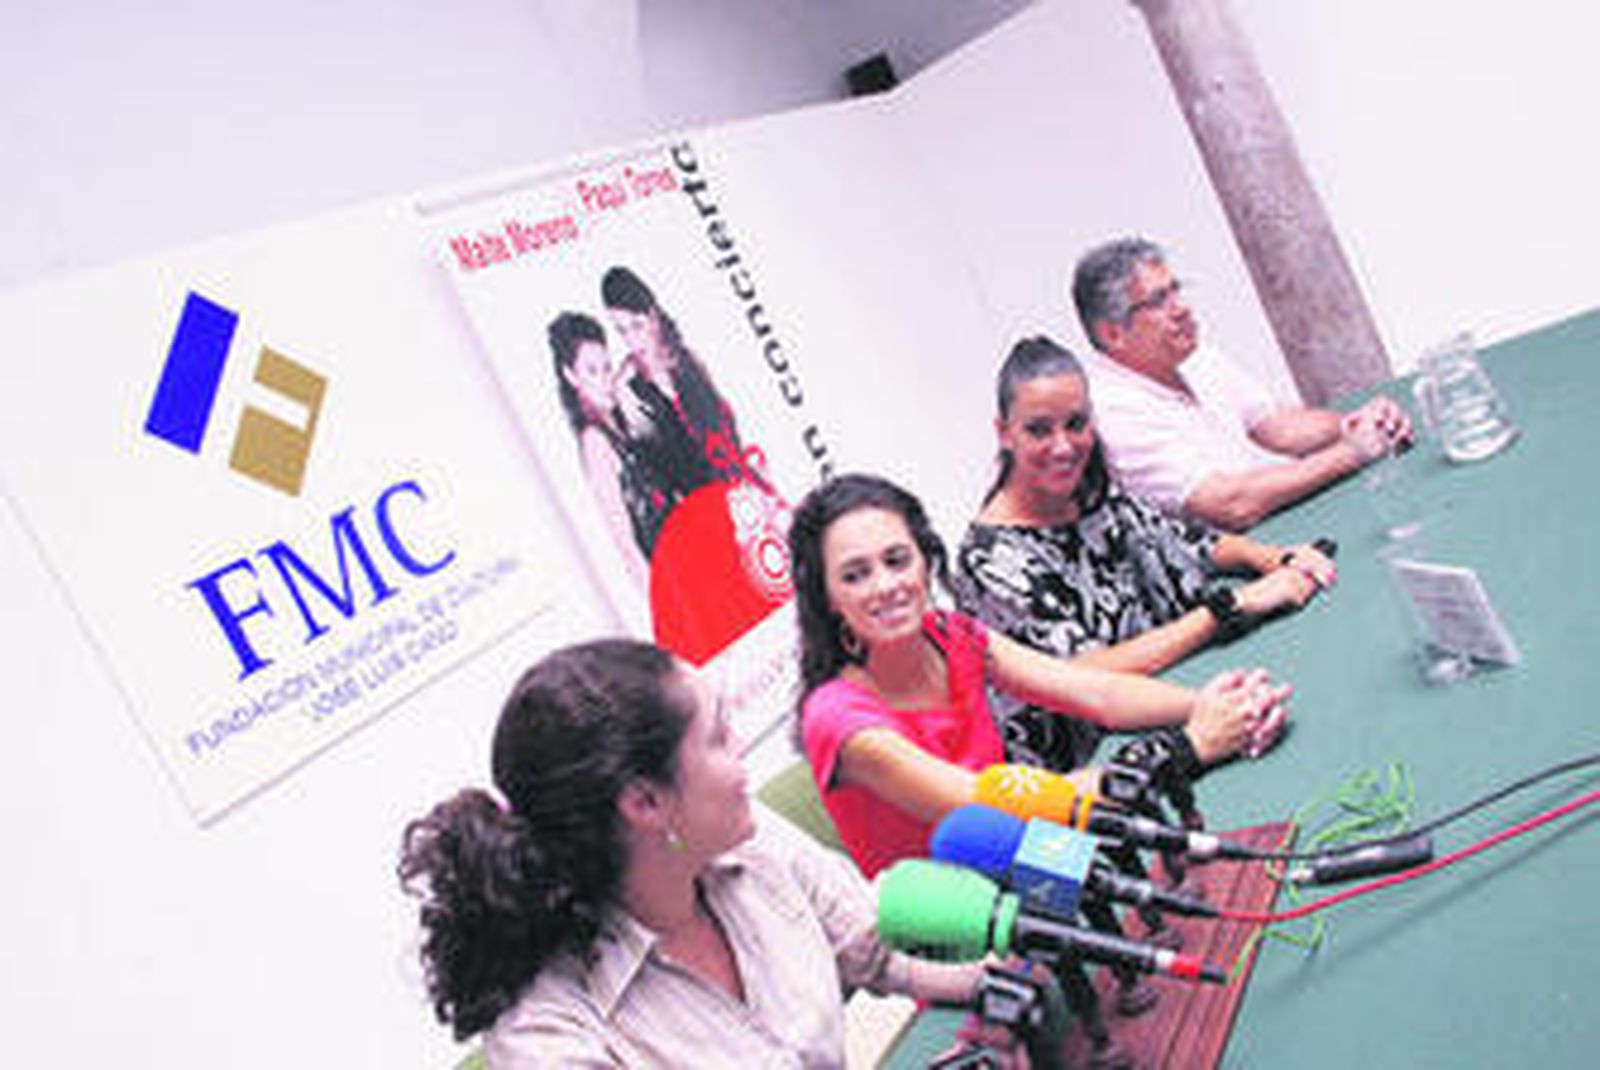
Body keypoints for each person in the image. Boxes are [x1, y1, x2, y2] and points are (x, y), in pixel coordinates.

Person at [399, 639, 997, 1068]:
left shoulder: (750, 839)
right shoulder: (549, 1035)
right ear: (646, 803)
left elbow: (877, 951)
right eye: (716, 736)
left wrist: (1016, 966)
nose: (739, 748)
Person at [788, 473, 1291, 879]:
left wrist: (1211, 706)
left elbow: (1096, 694)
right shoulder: (837, 719)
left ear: (925, 560)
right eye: (855, 575)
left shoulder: (950, 633)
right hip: (971, 942)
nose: (886, 586)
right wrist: (1186, 747)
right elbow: (986, 807)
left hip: (1039, 861)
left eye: (897, 560)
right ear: (828, 598)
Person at [951, 335, 1336, 774]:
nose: (1063, 446)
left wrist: (1270, 557)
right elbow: (1088, 678)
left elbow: (1189, 542)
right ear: (1004, 434)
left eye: (1076, 424)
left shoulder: (1092, 492)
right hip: (1094, 772)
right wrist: (1233, 607)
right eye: (1039, 429)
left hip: (1169, 698)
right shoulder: (990, 562)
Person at [1071, 237, 1413, 531]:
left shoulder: (1195, 354)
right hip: (1228, 574)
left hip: (1278, 525)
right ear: (1112, 333)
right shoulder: (1110, 411)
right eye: (1159, 301)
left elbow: (1280, 427)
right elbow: (1230, 506)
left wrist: (1357, 423)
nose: (1182, 310)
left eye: (1176, 291)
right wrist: (1353, 452)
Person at [549, 311, 696, 587]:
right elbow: (625, 542)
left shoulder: (617, 422)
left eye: (606, 367)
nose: (604, 380)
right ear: (571, 376)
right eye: (592, 371)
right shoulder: (595, 441)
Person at [602, 265, 755, 487]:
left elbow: (725, 423)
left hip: (741, 485)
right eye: (621, 331)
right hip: (702, 502)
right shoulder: (627, 388)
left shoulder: (687, 360)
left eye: (637, 325)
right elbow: (659, 470)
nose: (632, 341)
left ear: (653, 316)